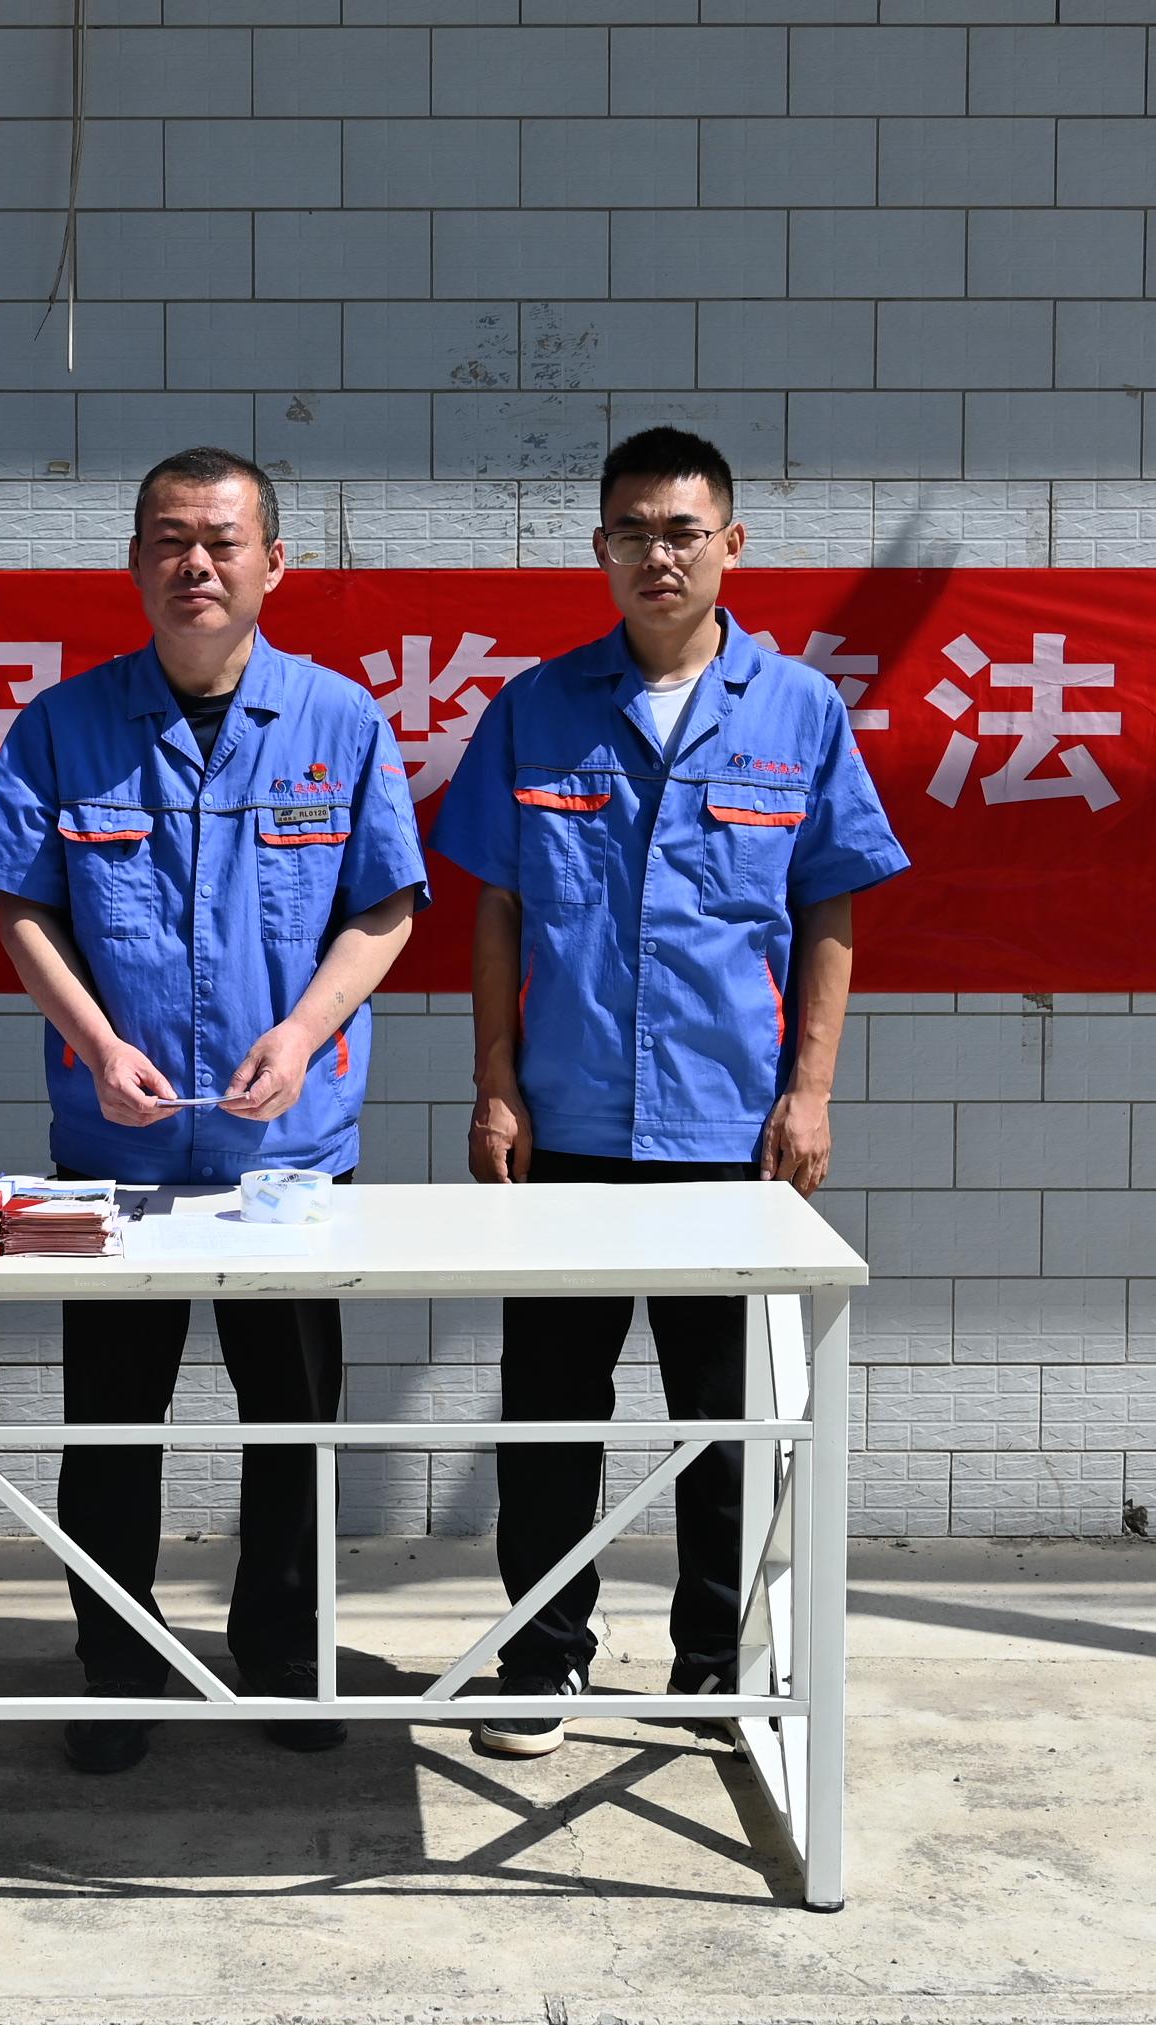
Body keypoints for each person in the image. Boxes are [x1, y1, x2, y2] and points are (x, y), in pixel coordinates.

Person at [427, 425, 911, 1759]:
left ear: (730, 545)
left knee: (725, 1422)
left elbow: (828, 911)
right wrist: (494, 1085)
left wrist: (810, 1093)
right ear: (599, 548)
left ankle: (713, 1665)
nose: (659, 555)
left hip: (725, 1130)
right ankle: (542, 1660)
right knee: (548, 1413)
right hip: (568, 1125)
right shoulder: (536, 709)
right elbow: (495, 913)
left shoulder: (797, 713)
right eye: (634, 531)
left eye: (684, 531)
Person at [0, 447, 426, 1775]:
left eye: (221, 540)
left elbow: (384, 906)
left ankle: (283, 1650)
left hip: (288, 1157)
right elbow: (22, 907)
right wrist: (95, 1043)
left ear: (275, 562)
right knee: (111, 1423)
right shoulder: (65, 726)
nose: (195, 564)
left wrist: (303, 1032)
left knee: (295, 1420)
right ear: (134, 562)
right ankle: (115, 1662)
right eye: (169, 540)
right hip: (115, 1152)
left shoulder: (339, 723)